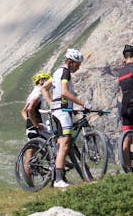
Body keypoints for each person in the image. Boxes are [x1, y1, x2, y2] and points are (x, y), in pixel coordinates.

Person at [50, 48, 88, 188]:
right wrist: (82, 103)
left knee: (62, 144)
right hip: (62, 112)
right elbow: (65, 92)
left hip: (58, 110)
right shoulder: (65, 72)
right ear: (70, 62)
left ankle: (59, 177)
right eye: (77, 64)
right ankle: (58, 180)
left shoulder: (57, 71)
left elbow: (49, 89)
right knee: (65, 144)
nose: (78, 67)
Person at [20, 72, 53, 184]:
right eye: (46, 80)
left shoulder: (32, 93)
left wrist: (29, 122)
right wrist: (35, 124)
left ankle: (31, 185)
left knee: (30, 156)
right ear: (40, 81)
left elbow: (23, 111)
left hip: (32, 127)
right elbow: (29, 110)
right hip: (37, 127)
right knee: (30, 157)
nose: (49, 83)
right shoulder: (39, 91)